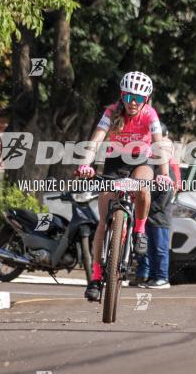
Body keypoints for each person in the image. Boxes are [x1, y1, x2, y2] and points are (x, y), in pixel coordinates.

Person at [75, 71, 172, 302]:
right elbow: (96, 139)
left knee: (143, 185)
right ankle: (96, 278)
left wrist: (165, 174)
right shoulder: (111, 111)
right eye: (128, 97)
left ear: (146, 100)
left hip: (142, 160)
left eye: (138, 99)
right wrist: (85, 164)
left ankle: (138, 231)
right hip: (115, 162)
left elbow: (159, 146)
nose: (132, 103)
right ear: (122, 96)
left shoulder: (150, 115)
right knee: (102, 222)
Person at [130, 123, 181, 289]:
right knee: (150, 250)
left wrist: (151, 210)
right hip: (151, 218)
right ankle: (152, 277)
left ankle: (162, 278)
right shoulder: (151, 171)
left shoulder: (165, 172)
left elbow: (166, 194)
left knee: (160, 249)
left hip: (159, 218)